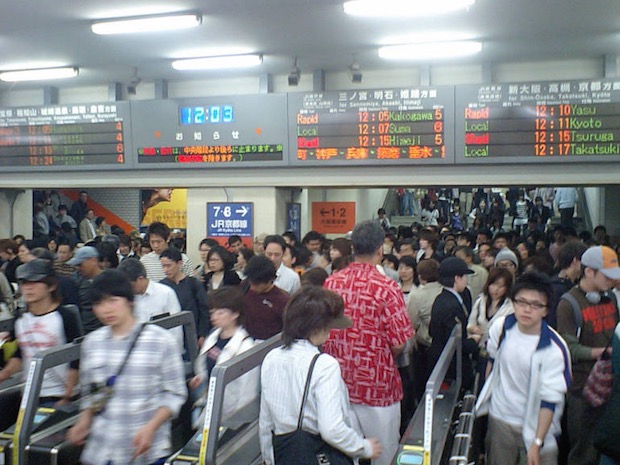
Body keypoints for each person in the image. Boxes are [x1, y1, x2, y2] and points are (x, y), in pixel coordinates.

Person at [67, 269, 187, 465]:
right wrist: (84, 420)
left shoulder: (160, 340)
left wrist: (151, 427)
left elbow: (175, 393)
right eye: (98, 304)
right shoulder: (92, 343)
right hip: (102, 449)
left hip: (144, 449)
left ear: (129, 300)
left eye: (113, 301)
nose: (105, 310)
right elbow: (94, 392)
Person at [323, 220, 413, 465]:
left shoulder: (331, 283)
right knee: (383, 454)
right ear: (380, 249)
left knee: (343, 453)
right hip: (377, 384)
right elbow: (399, 341)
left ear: (352, 248)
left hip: (337, 382)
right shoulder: (387, 287)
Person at [259, 286, 382, 465]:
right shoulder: (324, 365)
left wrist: (269, 458)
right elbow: (331, 429)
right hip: (318, 453)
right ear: (317, 326)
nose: (330, 331)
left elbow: (265, 421)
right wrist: (363, 447)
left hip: (285, 452)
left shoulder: (272, 357)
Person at [476, 271, 571, 465]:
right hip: (500, 418)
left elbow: (550, 400)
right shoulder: (501, 328)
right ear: (513, 302)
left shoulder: (553, 348)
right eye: (522, 302)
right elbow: (492, 363)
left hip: (535, 426)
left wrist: (537, 442)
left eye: (536, 305)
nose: (527, 310)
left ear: (546, 310)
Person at [556, 246, 620, 465]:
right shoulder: (568, 304)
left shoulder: (610, 298)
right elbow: (569, 349)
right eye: (607, 276)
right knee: (584, 450)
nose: (612, 281)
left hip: (610, 385)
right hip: (582, 390)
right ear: (589, 272)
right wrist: (605, 352)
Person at [0, 259, 82, 407]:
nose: (28, 288)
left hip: (57, 394)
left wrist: (67, 395)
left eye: (35, 282)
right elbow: (21, 354)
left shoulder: (65, 317)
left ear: (51, 286)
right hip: (29, 395)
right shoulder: (21, 319)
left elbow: (75, 359)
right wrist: (5, 374)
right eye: (24, 283)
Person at [189, 286, 257, 428]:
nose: (214, 317)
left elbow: (247, 392)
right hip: (210, 405)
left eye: (220, 313)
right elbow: (208, 366)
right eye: (213, 312)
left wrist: (233, 420)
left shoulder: (245, 347)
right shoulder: (214, 336)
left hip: (230, 415)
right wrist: (201, 378)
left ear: (235, 314)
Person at [428, 257, 479, 392]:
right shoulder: (450, 304)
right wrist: (473, 342)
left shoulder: (442, 298)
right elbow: (452, 340)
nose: (466, 281)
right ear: (457, 278)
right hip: (450, 367)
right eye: (465, 277)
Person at [117, 258, 183, 347]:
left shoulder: (165, 293)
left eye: (130, 286)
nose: (128, 289)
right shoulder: (125, 298)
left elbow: (176, 330)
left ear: (140, 279)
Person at [160, 248, 211, 346]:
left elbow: (204, 310)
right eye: (163, 266)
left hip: (192, 334)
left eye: (169, 266)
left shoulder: (194, 284)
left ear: (179, 264)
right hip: (170, 337)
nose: (165, 270)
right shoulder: (162, 287)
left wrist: (202, 334)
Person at [408, 259, 443, 401]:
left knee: (422, 381)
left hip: (425, 344)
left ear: (420, 276)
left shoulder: (417, 295)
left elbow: (411, 322)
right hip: (443, 344)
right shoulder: (444, 291)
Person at [467, 267, 514, 357]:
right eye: (493, 285)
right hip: (479, 351)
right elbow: (470, 323)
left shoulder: (510, 307)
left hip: (499, 353)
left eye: (501, 286)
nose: (495, 289)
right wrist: (473, 329)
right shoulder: (481, 301)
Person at [242, 255, 289, 340]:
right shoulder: (245, 286)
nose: (252, 287)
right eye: (251, 283)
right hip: (245, 338)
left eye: (256, 284)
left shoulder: (283, 300)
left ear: (269, 280)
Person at [68, 246, 103, 333]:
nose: (78, 268)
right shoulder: (77, 281)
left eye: (80, 264)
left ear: (94, 260)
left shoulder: (110, 279)